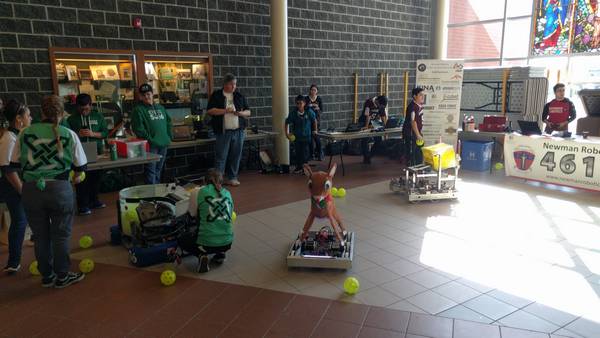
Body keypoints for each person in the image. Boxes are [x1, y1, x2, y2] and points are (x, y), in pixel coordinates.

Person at [8, 95, 87, 288]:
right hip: (60, 189)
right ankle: (62, 276)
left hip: (32, 190)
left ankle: (47, 276)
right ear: (61, 113)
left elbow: (15, 163)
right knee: (61, 235)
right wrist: (73, 176)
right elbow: (81, 167)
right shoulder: (69, 134)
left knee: (40, 235)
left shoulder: (24, 133)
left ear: (41, 112)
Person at [178, 168, 234, 273]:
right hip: (228, 242)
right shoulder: (228, 193)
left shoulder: (198, 192)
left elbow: (192, 213)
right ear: (221, 181)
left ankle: (201, 255)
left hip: (207, 243)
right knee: (218, 224)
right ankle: (220, 253)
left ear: (204, 180)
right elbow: (230, 215)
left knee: (182, 239)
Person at [0, 100, 32, 273]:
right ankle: (13, 262)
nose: (30, 118)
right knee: (19, 221)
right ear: (19, 119)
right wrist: (22, 191)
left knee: (32, 217)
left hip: (22, 184)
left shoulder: (19, 135)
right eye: (28, 115)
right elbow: (8, 170)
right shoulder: (8, 139)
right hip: (12, 185)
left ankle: (36, 239)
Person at [64, 94, 108, 215]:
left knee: (96, 178)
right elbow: (67, 136)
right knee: (81, 178)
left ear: (91, 105)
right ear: (77, 107)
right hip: (79, 152)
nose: (84, 111)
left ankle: (95, 201)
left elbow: (105, 133)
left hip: (96, 151)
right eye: (81, 109)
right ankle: (83, 205)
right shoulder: (71, 119)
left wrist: (93, 134)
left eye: (86, 109)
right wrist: (78, 135)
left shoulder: (98, 116)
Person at [207, 73, 251, 186]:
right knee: (221, 156)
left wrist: (240, 113)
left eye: (235, 84)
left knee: (236, 155)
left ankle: (232, 177)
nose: (234, 86)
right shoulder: (217, 95)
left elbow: (248, 111)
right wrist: (225, 111)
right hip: (223, 132)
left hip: (238, 131)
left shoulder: (239, 95)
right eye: (232, 84)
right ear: (225, 84)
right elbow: (210, 111)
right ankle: (218, 180)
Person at [131, 84, 172, 184]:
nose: (146, 97)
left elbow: (169, 122)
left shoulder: (161, 108)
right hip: (151, 145)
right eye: (143, 95)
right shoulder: (138, 110)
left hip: (164, 144)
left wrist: (169, 137)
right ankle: (151, 196)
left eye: (148, 94)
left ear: (152, 94)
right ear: (140, 97)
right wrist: (150, 139)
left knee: (158, 170)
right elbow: (138, 129)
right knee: (151, 172)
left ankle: (157, 193)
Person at [286, 95, 317, 174]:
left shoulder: (309, 111)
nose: (299, 105)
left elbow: (314, 120)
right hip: (297, 137)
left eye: (301, 103)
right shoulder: (293, 113)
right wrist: (287, 134)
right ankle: (299, 167)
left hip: (306, 136)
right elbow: (286, 123)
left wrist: (315, 130)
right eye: (297, 103)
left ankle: (305, 169)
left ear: (304, 103)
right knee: (298, 152)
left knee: (304, 153)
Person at [359, 95, 388, 164]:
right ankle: (366, 157)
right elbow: (367, 115)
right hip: (364, 121)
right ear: (377, 101)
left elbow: (383, 116)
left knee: (378, 140)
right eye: (379, 106)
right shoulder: (369, 102)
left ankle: (370, 155)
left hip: (374, 123)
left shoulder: (381, 105)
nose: (380, 107)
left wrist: (386, 126)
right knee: (365, 140)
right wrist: (366, 126)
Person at [402, 88, 425, 166]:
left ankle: (419, 168)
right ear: (415, 96)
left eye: (423, 95)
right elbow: (413, 121)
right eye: (420, 95)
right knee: (412, 153)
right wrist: (418, 135)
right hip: (411, 134)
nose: (423, 97)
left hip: (417, 133)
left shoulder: (419, 106)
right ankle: (411, 172)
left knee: (419, 152)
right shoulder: (412, 107)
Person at [305, 84, 324, 160]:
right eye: (312, 90)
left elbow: (322, 110)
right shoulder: (306, 98)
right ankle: (311, 154)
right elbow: (304, 108)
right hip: (308, 120)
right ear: (310, 90)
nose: (313, 91)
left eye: (314, 90)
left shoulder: (319, 99)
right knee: (310, 138)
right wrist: (309, 106)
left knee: (316, 137)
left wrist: (317, 108)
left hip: (316, 120)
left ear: (317, 91)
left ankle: (320, 153)